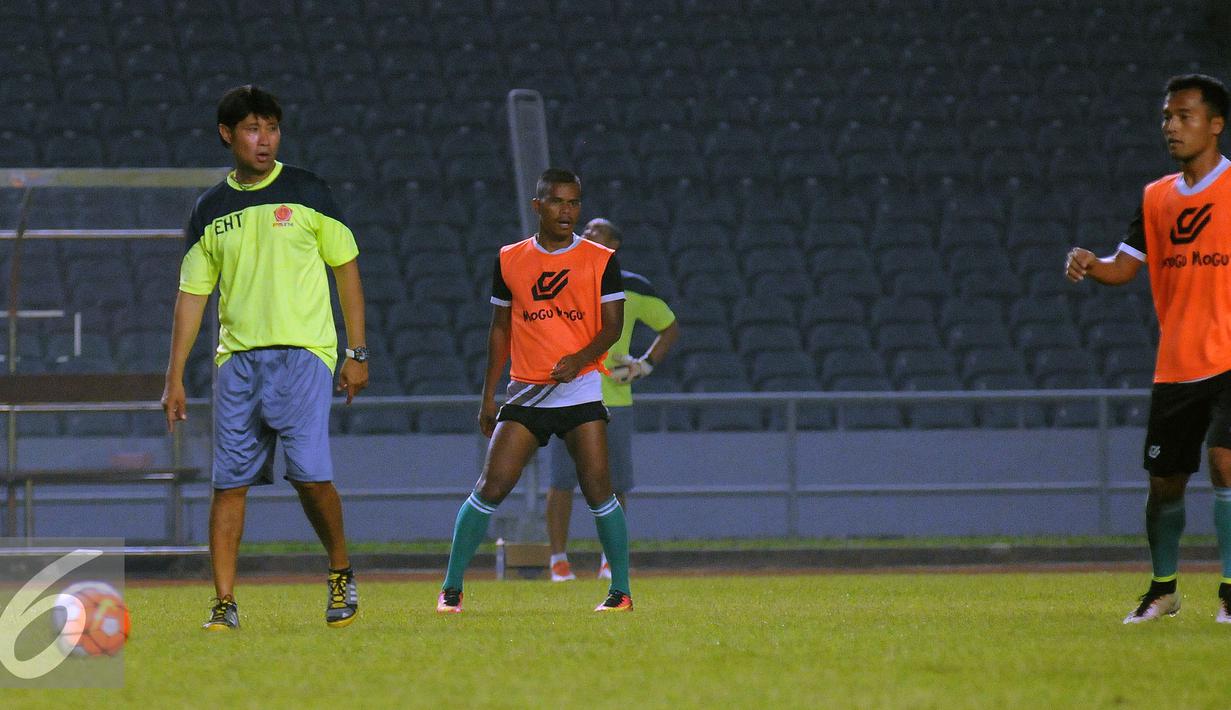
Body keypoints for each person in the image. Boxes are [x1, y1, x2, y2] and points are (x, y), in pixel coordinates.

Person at [162, 85, 369, 631]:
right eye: (253, 129)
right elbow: (192, 296)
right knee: (228, 483)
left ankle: (341, 571)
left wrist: (357, 351)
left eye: (272, 128)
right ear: (227, 134)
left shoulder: (308, 190)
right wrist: (175, 377)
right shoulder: (209, 208)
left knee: (308, 474)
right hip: (238, 361)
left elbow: (346, 268)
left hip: (304, 353)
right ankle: (224, 603)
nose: (265, 139)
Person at [1066, 73, 1231, 624]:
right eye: (1166, 116)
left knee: (1226, 464)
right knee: (1165, 484)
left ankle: (1230, 593)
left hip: (1230, 355)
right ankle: (1164, 590)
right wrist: (1093, 265)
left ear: (1215, 125)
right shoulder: (1156, 197)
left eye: (1184, 116)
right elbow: (1126, 267)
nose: (1171, 126)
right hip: (1178, 361)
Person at [436, 168, 633, 613]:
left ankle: (620, 592)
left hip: (579, 391)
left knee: (600, 490)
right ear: (538, 206)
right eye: (559, 202)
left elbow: (613, 326)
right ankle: (451, 589)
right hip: (527, 394)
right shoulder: (509, 259)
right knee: (491, 486)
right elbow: (500, 328)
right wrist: (488, 395)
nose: (568, 211)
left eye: (575, 203)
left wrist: (579, 360)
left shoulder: (601, 259)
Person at [545, 218, 679, 582]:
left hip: (614, 400)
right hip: (566, 396)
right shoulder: (560, 276)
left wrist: (644, 366)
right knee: (561, 481)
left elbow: (669, 326)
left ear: (614, 244)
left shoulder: (633, 285)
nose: (586, 233)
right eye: (584, 230)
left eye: (595, 230)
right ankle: (558, 560)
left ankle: (608, 559)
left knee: (615, 483)